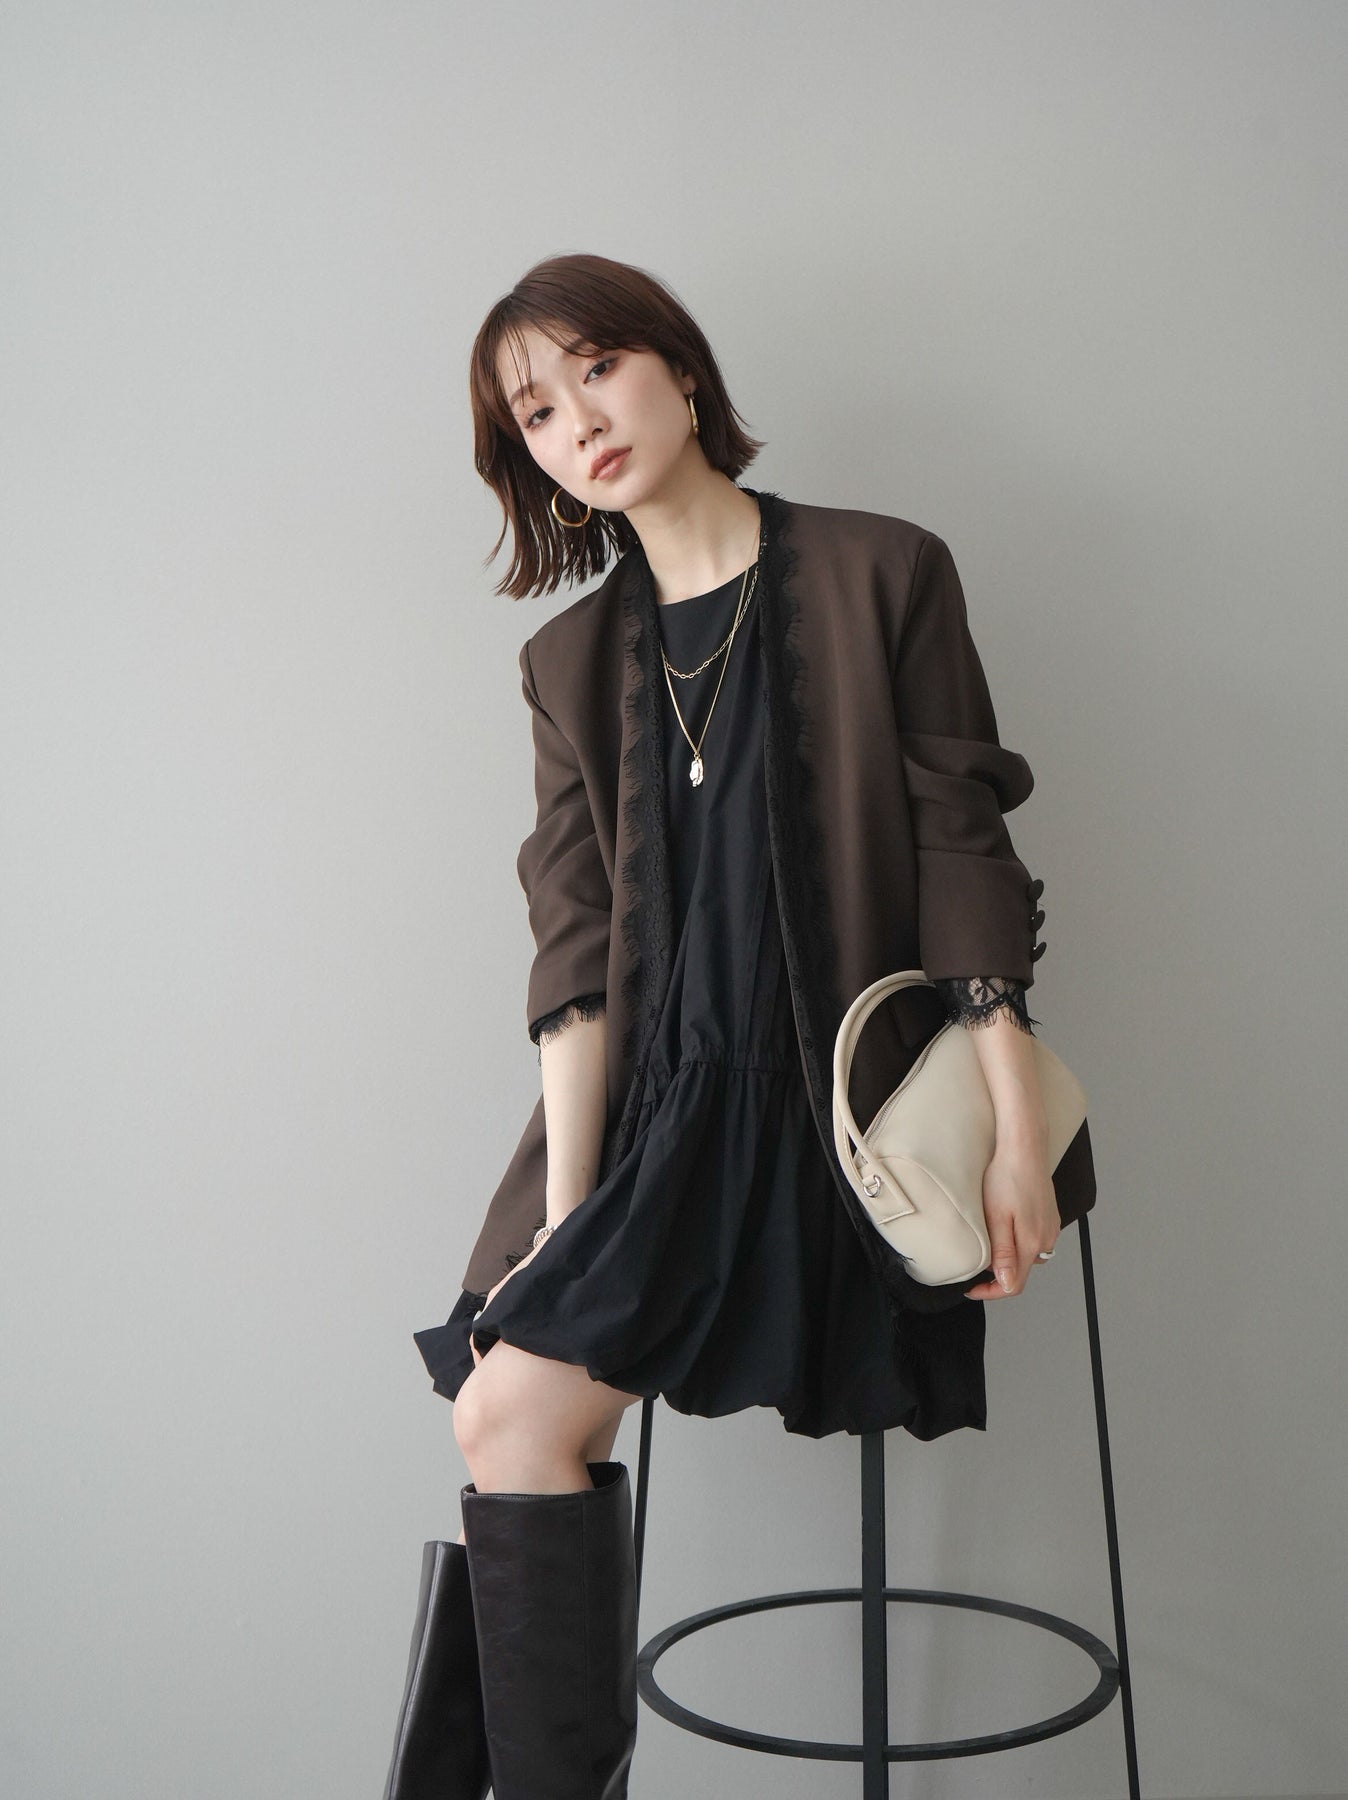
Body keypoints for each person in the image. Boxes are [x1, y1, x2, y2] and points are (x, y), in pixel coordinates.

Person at [382, 252, 1080, 1800]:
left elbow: (962, 847)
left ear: (682, 372)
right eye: (536, 413)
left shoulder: (884, 571)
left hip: (845, 1112)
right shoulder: (566, 664)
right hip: (663, 1126)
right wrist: (569, 1224)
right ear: (528, 459)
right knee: (501, 1405)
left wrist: (1018, 1132)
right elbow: (574, 957)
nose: (580, 422)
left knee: (503, 1421)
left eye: (599, 370)